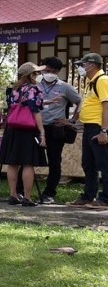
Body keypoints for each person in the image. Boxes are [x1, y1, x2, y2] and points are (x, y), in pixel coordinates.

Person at [0, 62, 46, 206]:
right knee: (28, 163)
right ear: (31, 75)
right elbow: (36, 111)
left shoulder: (15, 89)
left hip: (13, 129)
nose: (38, 76)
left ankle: (13, 194)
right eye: (36, 73)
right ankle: (27, 197)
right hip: (28, 129)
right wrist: (42, 131)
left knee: (13, 163)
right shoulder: (34, 89)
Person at [36, 57, 81, 204]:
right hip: (35, 127)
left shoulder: (65, 87)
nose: (49, 74)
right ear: (42, 70)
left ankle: (49, 193)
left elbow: (80, 101)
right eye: (47, 70)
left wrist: (71, 120)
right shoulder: (35, 84)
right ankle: (22, 190)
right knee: (27, 159)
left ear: (58, 72)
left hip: (55, 128)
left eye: (53, 72)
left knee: (54, 161)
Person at [73, 52, 108, 208]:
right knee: (88, 163)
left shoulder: (102, 80)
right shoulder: (90, 82)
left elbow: (107, 107)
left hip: (99, 127)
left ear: (92, 65)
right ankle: (88, 196)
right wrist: (75, 121)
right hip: (88, 126)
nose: (81, 68)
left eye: (83, 65)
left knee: (104, 163)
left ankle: (106, 199)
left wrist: (104, 131)